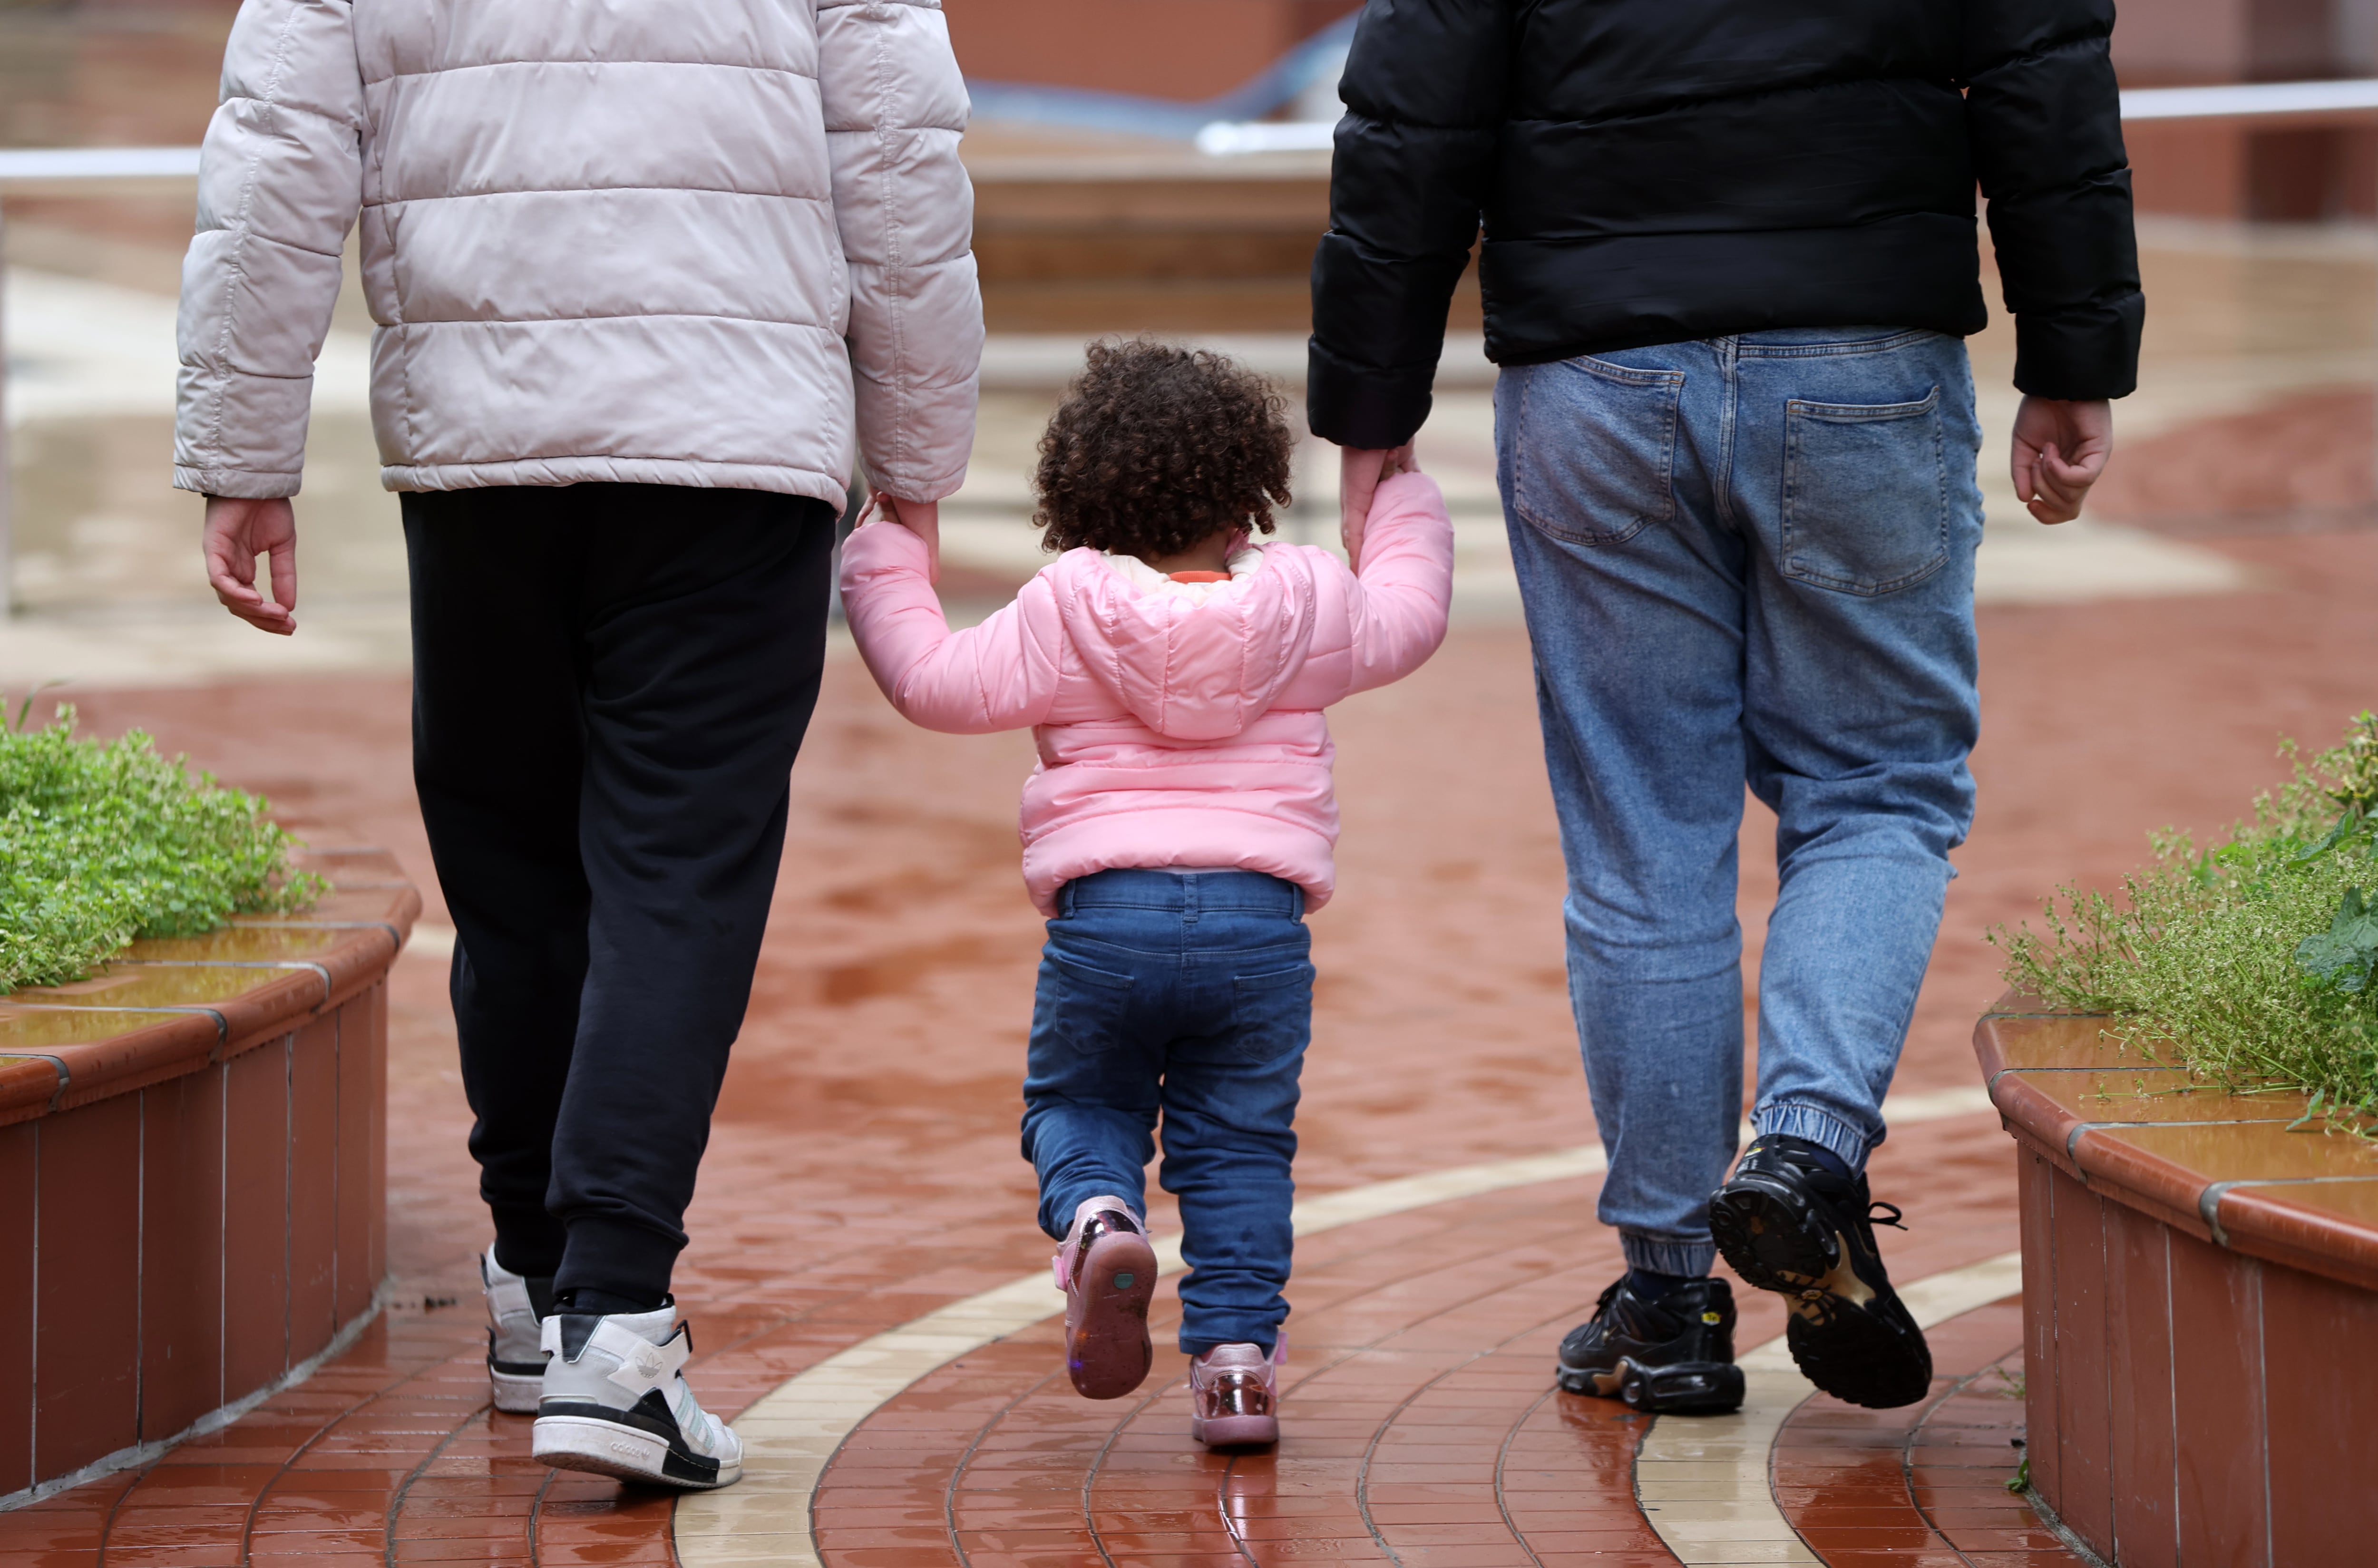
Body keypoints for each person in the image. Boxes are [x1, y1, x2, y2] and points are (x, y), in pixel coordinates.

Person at [175, 0, 983, 1487]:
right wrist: (921, 452)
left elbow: (278, 151)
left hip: (480, 447)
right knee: (678, 868)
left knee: (514, 858)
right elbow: (899, 161)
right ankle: (615, 1323)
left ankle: (538, 1286)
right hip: (733, 444)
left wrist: (243, 453)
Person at [1308, 0, 2138, 1412]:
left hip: (1594, 369)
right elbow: (2040, 65)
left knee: (1644, 831)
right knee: (1876, 790)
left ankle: (1667, 1300)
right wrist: (2074, 353)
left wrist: (1370, 402)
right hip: (1858, 356)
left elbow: (1415, 105)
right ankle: (1807, 1147)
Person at [838, 341, 1452, 1445]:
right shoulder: (1310, 600)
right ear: (1244, 504)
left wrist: (889, 547)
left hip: (1105, 916)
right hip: (1256, 925)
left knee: (1080, 1105)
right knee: (1239, 1145)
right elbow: (1408, 614)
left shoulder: (1063, 607)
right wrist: (1395, 491)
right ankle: (1233, 1371)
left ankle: (1098, 1214)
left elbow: (928, 679)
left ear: (1081, 501)